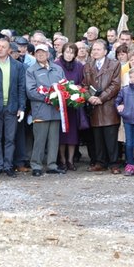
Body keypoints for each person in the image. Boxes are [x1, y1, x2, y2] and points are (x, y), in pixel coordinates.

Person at [0, 38, 26, 177]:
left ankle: (8, 166)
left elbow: (21, 87)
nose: (0, 49)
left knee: (10, 138)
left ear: (9, 50)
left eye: (4, 47)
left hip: (12, 107)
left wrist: (21, 107)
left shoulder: (18, 66)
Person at [26, 44, 66, 176]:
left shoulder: (58, 69)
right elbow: (31, 92)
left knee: (54, 139)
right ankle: (36, 165)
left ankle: (52, 165)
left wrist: (59, 96)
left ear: (48, 54)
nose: (40, 55)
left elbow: (65, 86)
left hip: (55, 110)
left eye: (43, 52)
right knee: (39, 139)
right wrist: (48, 98)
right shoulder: (31, 70)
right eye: (38, 53)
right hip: (40, 110)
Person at [83, 40, 121, 174]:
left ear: (105, 51)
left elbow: (115, 85)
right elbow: (85, 86)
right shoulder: (88, 65)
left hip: (108, 105)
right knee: (97, 137)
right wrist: (89, 97)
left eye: (98, 49)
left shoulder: (114, 64)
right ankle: (100, 162)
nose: (95, 52)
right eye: (93, 49)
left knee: (111, 136)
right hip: (94, 106)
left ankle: (114, 163)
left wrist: (101, 98)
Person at [54, 42, 86, 171]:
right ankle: (62, 160)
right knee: (62, 134)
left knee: (73, 134)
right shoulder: (56, 65)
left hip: (74, 105)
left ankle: (70, 160)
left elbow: (82, 82)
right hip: (60, 105)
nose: (69, 54)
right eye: (67, 51)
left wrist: (79, 88)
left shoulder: (79, 66)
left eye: (72, 52)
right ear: (63, 52)